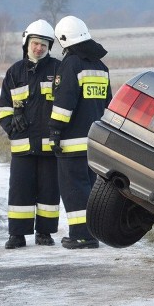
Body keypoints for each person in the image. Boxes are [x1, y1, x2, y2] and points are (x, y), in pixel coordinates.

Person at [0, 20, 62, 249]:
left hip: (49, 147)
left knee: (49, 192)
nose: (39, 48)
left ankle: (44, 233)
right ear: (27, 43)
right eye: (35, 43)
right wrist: (11, 126)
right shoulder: (14, 72)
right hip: (23, 147)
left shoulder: (58, 70)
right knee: (19, 192)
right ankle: (17, 235)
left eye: (44, 45)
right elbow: (4, 108)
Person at [49, 16, 112, 249]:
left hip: (71, 142)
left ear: (64, 39)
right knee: (90, 187)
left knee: (74, 189)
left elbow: (64, 103)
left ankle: (81, 235)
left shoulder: (71, 64)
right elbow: (108, 104)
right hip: (94, 142)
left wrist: (55, 131)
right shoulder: (101, 67)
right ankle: (92, 233)